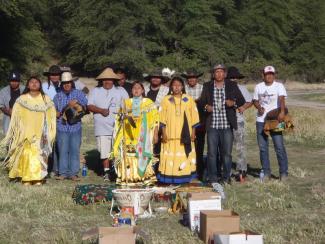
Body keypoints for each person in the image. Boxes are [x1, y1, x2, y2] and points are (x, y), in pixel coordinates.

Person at [0, 77, 56, 185]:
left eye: (36, 82)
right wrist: (19, 129)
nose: (34, 84)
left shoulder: (46, 99)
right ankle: (26, 178)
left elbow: (51, 114)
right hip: (25, 132)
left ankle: (38, 178)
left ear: (40, 85)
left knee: (40, 154)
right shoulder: (22, 99)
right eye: (31, 82)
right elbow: (16, 115)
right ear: (28, 85)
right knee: (27, 153)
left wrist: (48, 130)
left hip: (41, 132)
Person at [199, 64, 245, 184]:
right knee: (212, 154)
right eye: (216, 72)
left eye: (221, 72)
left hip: (226, 126)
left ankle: (226, 178)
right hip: (212, 125)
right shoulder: (207, 86)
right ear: (213, 74)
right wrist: (206, 106)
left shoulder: (232, 85)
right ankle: (213, 178)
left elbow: (241, 100)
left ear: (225, 74)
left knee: (227, 154)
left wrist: (233, 103)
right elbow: (201, 102)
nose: (219, 74)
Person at [111, 81, 159, 185]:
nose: (136, 90)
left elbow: (155, 120)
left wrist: (155, 134)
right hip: (128, 135)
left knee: (142, 155)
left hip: (143, 135)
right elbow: (118, 120)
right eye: (134, 88)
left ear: (142, 90)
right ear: (131, 91)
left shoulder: (148, 102)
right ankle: (128, 178)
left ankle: (143, 178)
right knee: (129, 155)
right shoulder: (126, 102)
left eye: (138, 88)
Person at [87, 67, 129, 181]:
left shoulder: (121, 91)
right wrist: (101, 110)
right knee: (104, 151)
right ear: (101, 80)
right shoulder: (96, 91)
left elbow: (128, 106)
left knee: (118, 150)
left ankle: (117, 171)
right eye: (105, 79)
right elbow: (89, 105)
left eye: (110, 79)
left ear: (114, 80)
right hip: (101, 127)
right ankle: (106, 172)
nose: (107, 82)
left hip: (118, 127)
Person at [158, 77, 200, 184]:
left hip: (185, 136)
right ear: (171, 87)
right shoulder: (166, 100)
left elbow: (194, 116)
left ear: (182, 87)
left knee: (184, 157)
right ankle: (170, 179)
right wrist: (163, 132)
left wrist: (193, 133)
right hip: (170, 135)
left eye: (179, 85)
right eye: (174, 85)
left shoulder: (188, 99)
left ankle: (185, 178)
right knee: (171, 157)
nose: (176, 87)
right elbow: (161, 118)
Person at [253, 65, 289, 181]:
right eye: (267, 74)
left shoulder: (279, 86)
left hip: (276, 120)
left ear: (274, 75)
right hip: (261, 120)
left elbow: (282, 99)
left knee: (279, 146)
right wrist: (259, 107)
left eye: (271, 74)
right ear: (263, 75)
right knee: (263, 148)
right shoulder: (258, 86)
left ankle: (283, 173)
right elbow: (255, 100)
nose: (269, 76)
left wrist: (282, 112)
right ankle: (266, 172)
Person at [53, 72, 87, 181]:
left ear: (72, 83)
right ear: (61, 84)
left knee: (74, 149)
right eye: (64, 83)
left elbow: (85, 105)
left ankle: (73, 173)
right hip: (62, 126)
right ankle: (62, 173)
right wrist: (67, 106)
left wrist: (79, 105)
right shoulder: (57, 96)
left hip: (75, 126)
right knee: (62, 149)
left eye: (68, 82)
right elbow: (55, 111)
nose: (66, 85)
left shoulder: (78, 93)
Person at [226, 67, 252, 182]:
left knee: (240, 147)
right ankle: (225, 170)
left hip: (238, 120)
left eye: (235, 77)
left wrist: (243, 107)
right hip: (225, 121)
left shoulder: (242, 88)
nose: (234, 79)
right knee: (225, 148)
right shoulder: (223, 88)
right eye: (231, 77)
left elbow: (250, 100)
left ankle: (242, 171)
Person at [181, 68, 205, 180]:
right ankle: (187, 170)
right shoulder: (183, 89)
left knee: (199, 147)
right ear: (186, 79)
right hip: (184, 121)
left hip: (200, 120)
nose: (191, 80)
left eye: (193, 78)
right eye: (189, 78)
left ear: (197, 78)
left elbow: (205, 101)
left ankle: (199, 171)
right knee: (185, 146)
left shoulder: (203, 88)